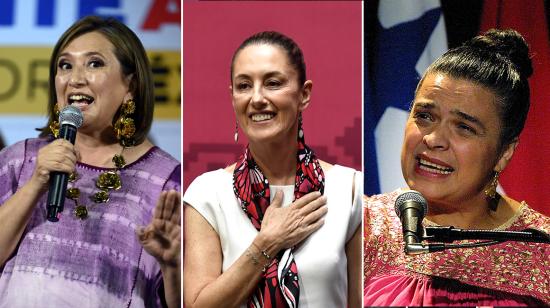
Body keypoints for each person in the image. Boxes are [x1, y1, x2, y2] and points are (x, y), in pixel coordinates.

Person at [0, 16, 181, 307]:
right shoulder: (18, 161)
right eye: (65, 65)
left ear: (130, 86)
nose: (75, 78)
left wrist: (173, 267)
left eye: (94, 63)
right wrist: (35, 183)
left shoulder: (166, 180)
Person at [363, 29, 549, 306]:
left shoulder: (541, 248)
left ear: (504, 152)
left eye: (464, 127)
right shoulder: (362, 228)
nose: (434, 139)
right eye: (425, 116)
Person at [183, 31, 362, 308]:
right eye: (244, 86)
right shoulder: (207, 194)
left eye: (273, 83)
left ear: (304, 94)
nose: (256, 98)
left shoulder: (350, 190)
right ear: (232, 97)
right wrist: (267, 244)